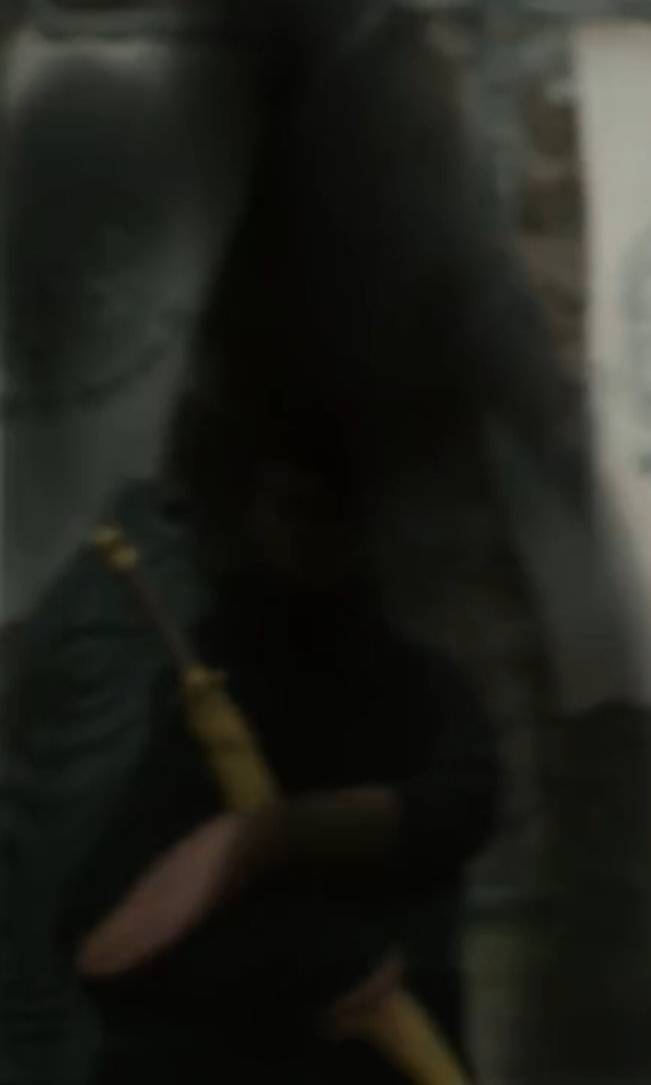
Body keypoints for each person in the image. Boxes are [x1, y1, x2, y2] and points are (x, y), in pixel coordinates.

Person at [53, 457, 500, 1085]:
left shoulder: (420, 687)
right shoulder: (197, 689)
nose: (309, 534)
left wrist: (284, 831)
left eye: (332, 513)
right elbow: (101, 932)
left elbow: (460, 805)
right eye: (292, 508)